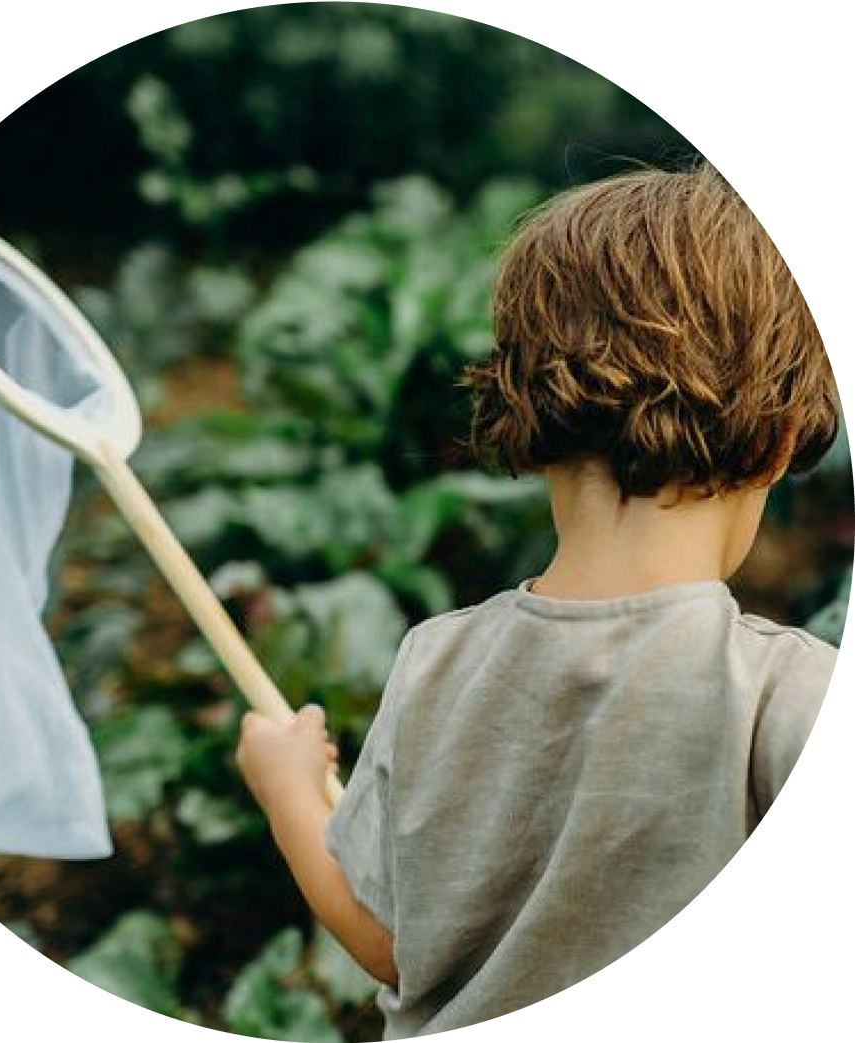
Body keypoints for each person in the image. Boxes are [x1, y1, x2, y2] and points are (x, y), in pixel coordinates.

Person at [235, 160, 840, 1036]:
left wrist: (289, 790)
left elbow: (393, 947)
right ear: (781, 438)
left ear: (529, 398)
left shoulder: (434, 661)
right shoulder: (784, 696)